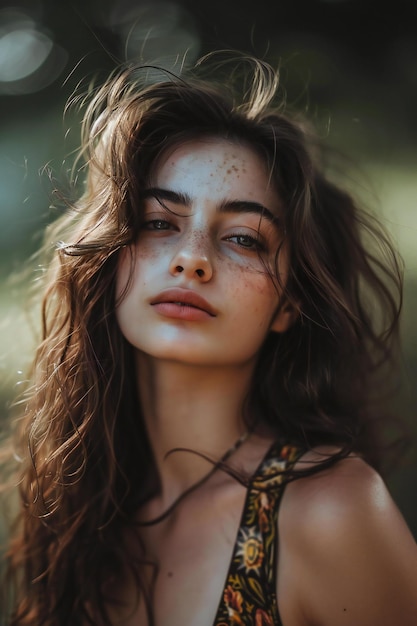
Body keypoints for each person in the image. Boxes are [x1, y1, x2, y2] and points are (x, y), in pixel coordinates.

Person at [1, 53, 417, 626]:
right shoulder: (80, 518)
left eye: (244, 238)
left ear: (289, 303)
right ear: (109, 260)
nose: (192, 259)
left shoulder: (329, 509)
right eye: (158, 223)